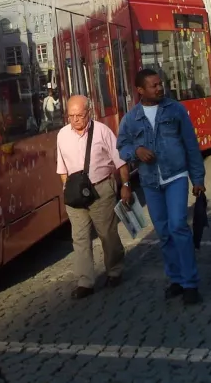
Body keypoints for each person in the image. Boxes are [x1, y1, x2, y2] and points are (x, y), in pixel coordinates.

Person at [117, 69, 206, 306]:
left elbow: (191, 145)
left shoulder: (175, 110)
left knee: (178, 226)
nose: (159, 88)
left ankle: (190, 283)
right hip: (150, 183)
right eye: (154, 85)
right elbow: (121, 147)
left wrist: (198, 179)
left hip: (175, 176)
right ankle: (175, 279)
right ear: (140, 90)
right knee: (164, 233)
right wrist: (135, 151)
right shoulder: (131, 118)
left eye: (160, 84)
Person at [57, 95, 131, 300]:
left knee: (107, 233)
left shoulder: (102, 131)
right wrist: (66, 188)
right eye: (71, 116)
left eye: (79, 115)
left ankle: (114, 270)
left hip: (101, 190)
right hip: (74, 194)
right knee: (79, 238)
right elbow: (61, 167)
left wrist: (125, 185)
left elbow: (120, 162)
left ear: (89, 112)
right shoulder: (62, 135)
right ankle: (85, 281)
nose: (75, 120)